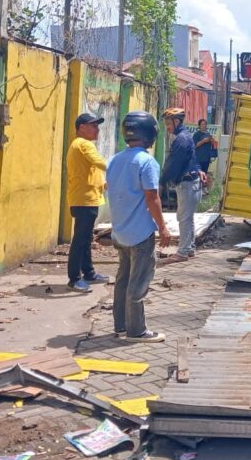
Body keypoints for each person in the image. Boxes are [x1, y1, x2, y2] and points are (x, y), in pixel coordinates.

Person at [106, 112, 172, 342]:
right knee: (138, 281)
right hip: (140, 233)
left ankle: (121, 326)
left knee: (123, 279)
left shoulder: (114, 160)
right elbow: (152, 197)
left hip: (120, 232)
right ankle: (136, 331)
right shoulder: (146, 161)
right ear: (150, 134)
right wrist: (162, 227)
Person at [65, 113, 111, 293]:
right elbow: (101, 163)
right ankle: (74, 278)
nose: (97, 129)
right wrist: (122, 168)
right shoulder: (84, 144)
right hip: (85, 200)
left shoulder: (78, 145)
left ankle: (89, 273)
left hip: (84, 198)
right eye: (93, 126)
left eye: (97, 126)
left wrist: (103, 183)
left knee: (85, 238)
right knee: (80, 239)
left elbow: (92, 170)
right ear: (82, 128)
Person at [161, 108, 204, 259]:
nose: (167, 127)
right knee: (188, 217)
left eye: (169, 123)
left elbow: (173, 164)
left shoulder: (181, 139)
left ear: (177, 121)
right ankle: (189, 248)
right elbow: (193, 158)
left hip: (187, 184)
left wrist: (162, 181)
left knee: (184, 218)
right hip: (191, 182)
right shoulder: (185, 136)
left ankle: (183, 251)